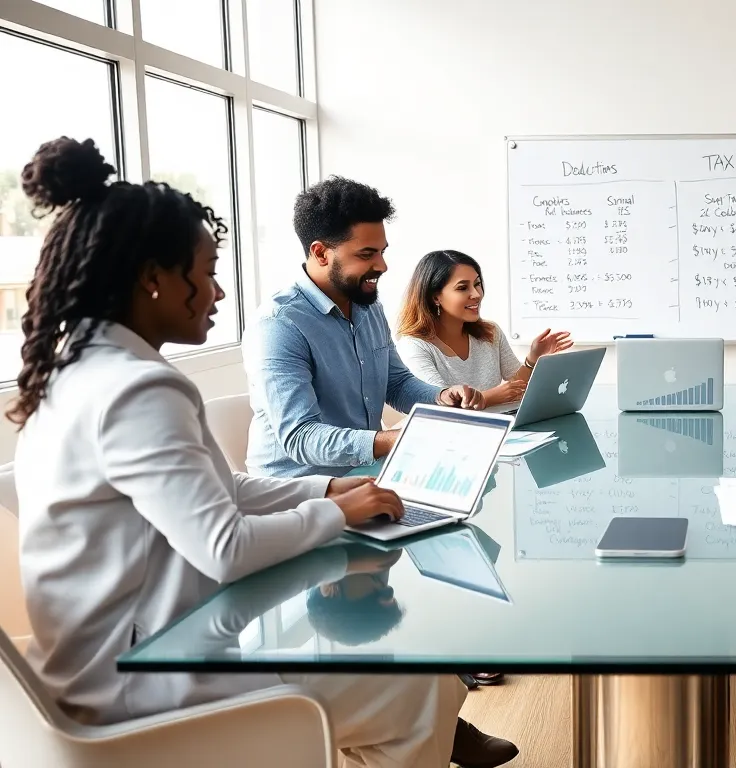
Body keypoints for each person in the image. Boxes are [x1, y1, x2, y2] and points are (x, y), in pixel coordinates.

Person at [11, 137, 516, 767]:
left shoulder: (88, 371)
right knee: (420, 688)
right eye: (206, 273)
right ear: (153, 280)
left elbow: (223, 485)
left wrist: (329, 492)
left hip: (112, 664)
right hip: (142, 686)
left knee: (415, 675)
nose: (219, 294)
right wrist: (336, 510)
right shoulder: (139, 388)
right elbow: (225, 548)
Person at [243, 177, 484, 479]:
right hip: (299, 493)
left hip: (367, 474)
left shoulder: (368, 307)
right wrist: (398, 439)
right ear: (320, 253)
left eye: (382, 251)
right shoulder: (278, 325)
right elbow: (301, 437)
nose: (382, 265)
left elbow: (396, 383)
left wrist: (441, 396)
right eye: (366, 254)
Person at [395, 249, 572, 407]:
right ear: (435, 298)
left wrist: (533, 357)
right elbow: (439, 404)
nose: (477, 294)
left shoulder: (490, 332)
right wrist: (488, 398)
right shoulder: (415, 345)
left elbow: (516, 387)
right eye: (463, 288)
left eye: (477, 284)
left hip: (498, 427)